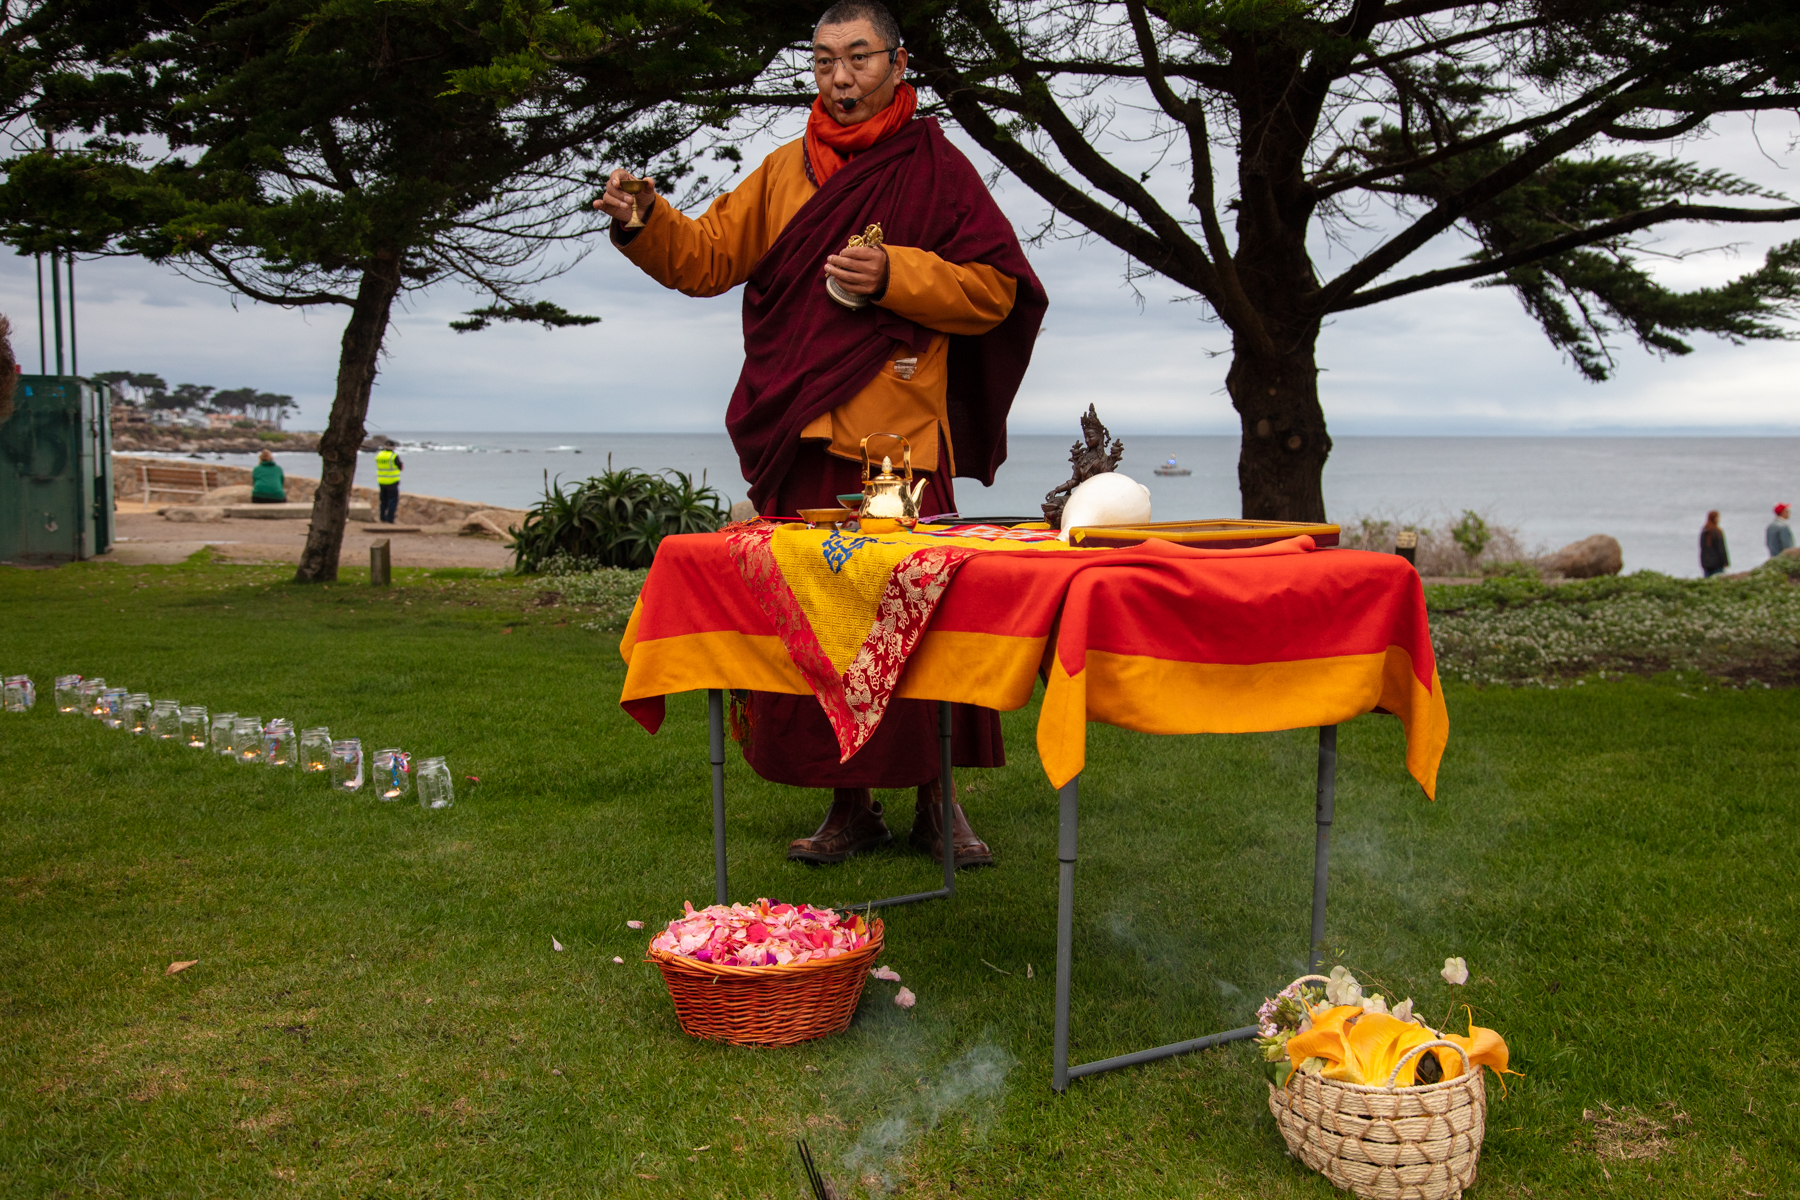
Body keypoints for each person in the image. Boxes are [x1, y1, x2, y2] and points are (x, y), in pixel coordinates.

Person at [595, 0, 1047, 870]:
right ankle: (851, 804)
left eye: (859, 58)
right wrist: (645, 219)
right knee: (818, 625)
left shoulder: (939, 169)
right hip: (801, 430)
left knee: (922, 625)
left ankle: (938, 800)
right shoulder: (784, 170)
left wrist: (895, 274)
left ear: (898, 63)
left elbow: (997, 291)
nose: (840, 78)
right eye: (824, 61)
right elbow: (707, 258)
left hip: (898, 443)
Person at [375, 442, 403, 524]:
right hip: (392, 481)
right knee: (392, 501)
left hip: (381, 481)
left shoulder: (379, 455)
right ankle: (390, 519)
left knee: (383, 500)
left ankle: (382, 517)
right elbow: (401, 467)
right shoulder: (393, 456)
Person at [1700, 511, 1729, 577]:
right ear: (1715, 519)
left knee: (1707, 582)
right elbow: (1721, 549)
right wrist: (1726, 562)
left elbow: (1702, 548)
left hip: (1706, 564)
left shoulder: (1704, 531)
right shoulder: (1717, 532)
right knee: (1718, 580)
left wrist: (1703, 562)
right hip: (1717, 564)